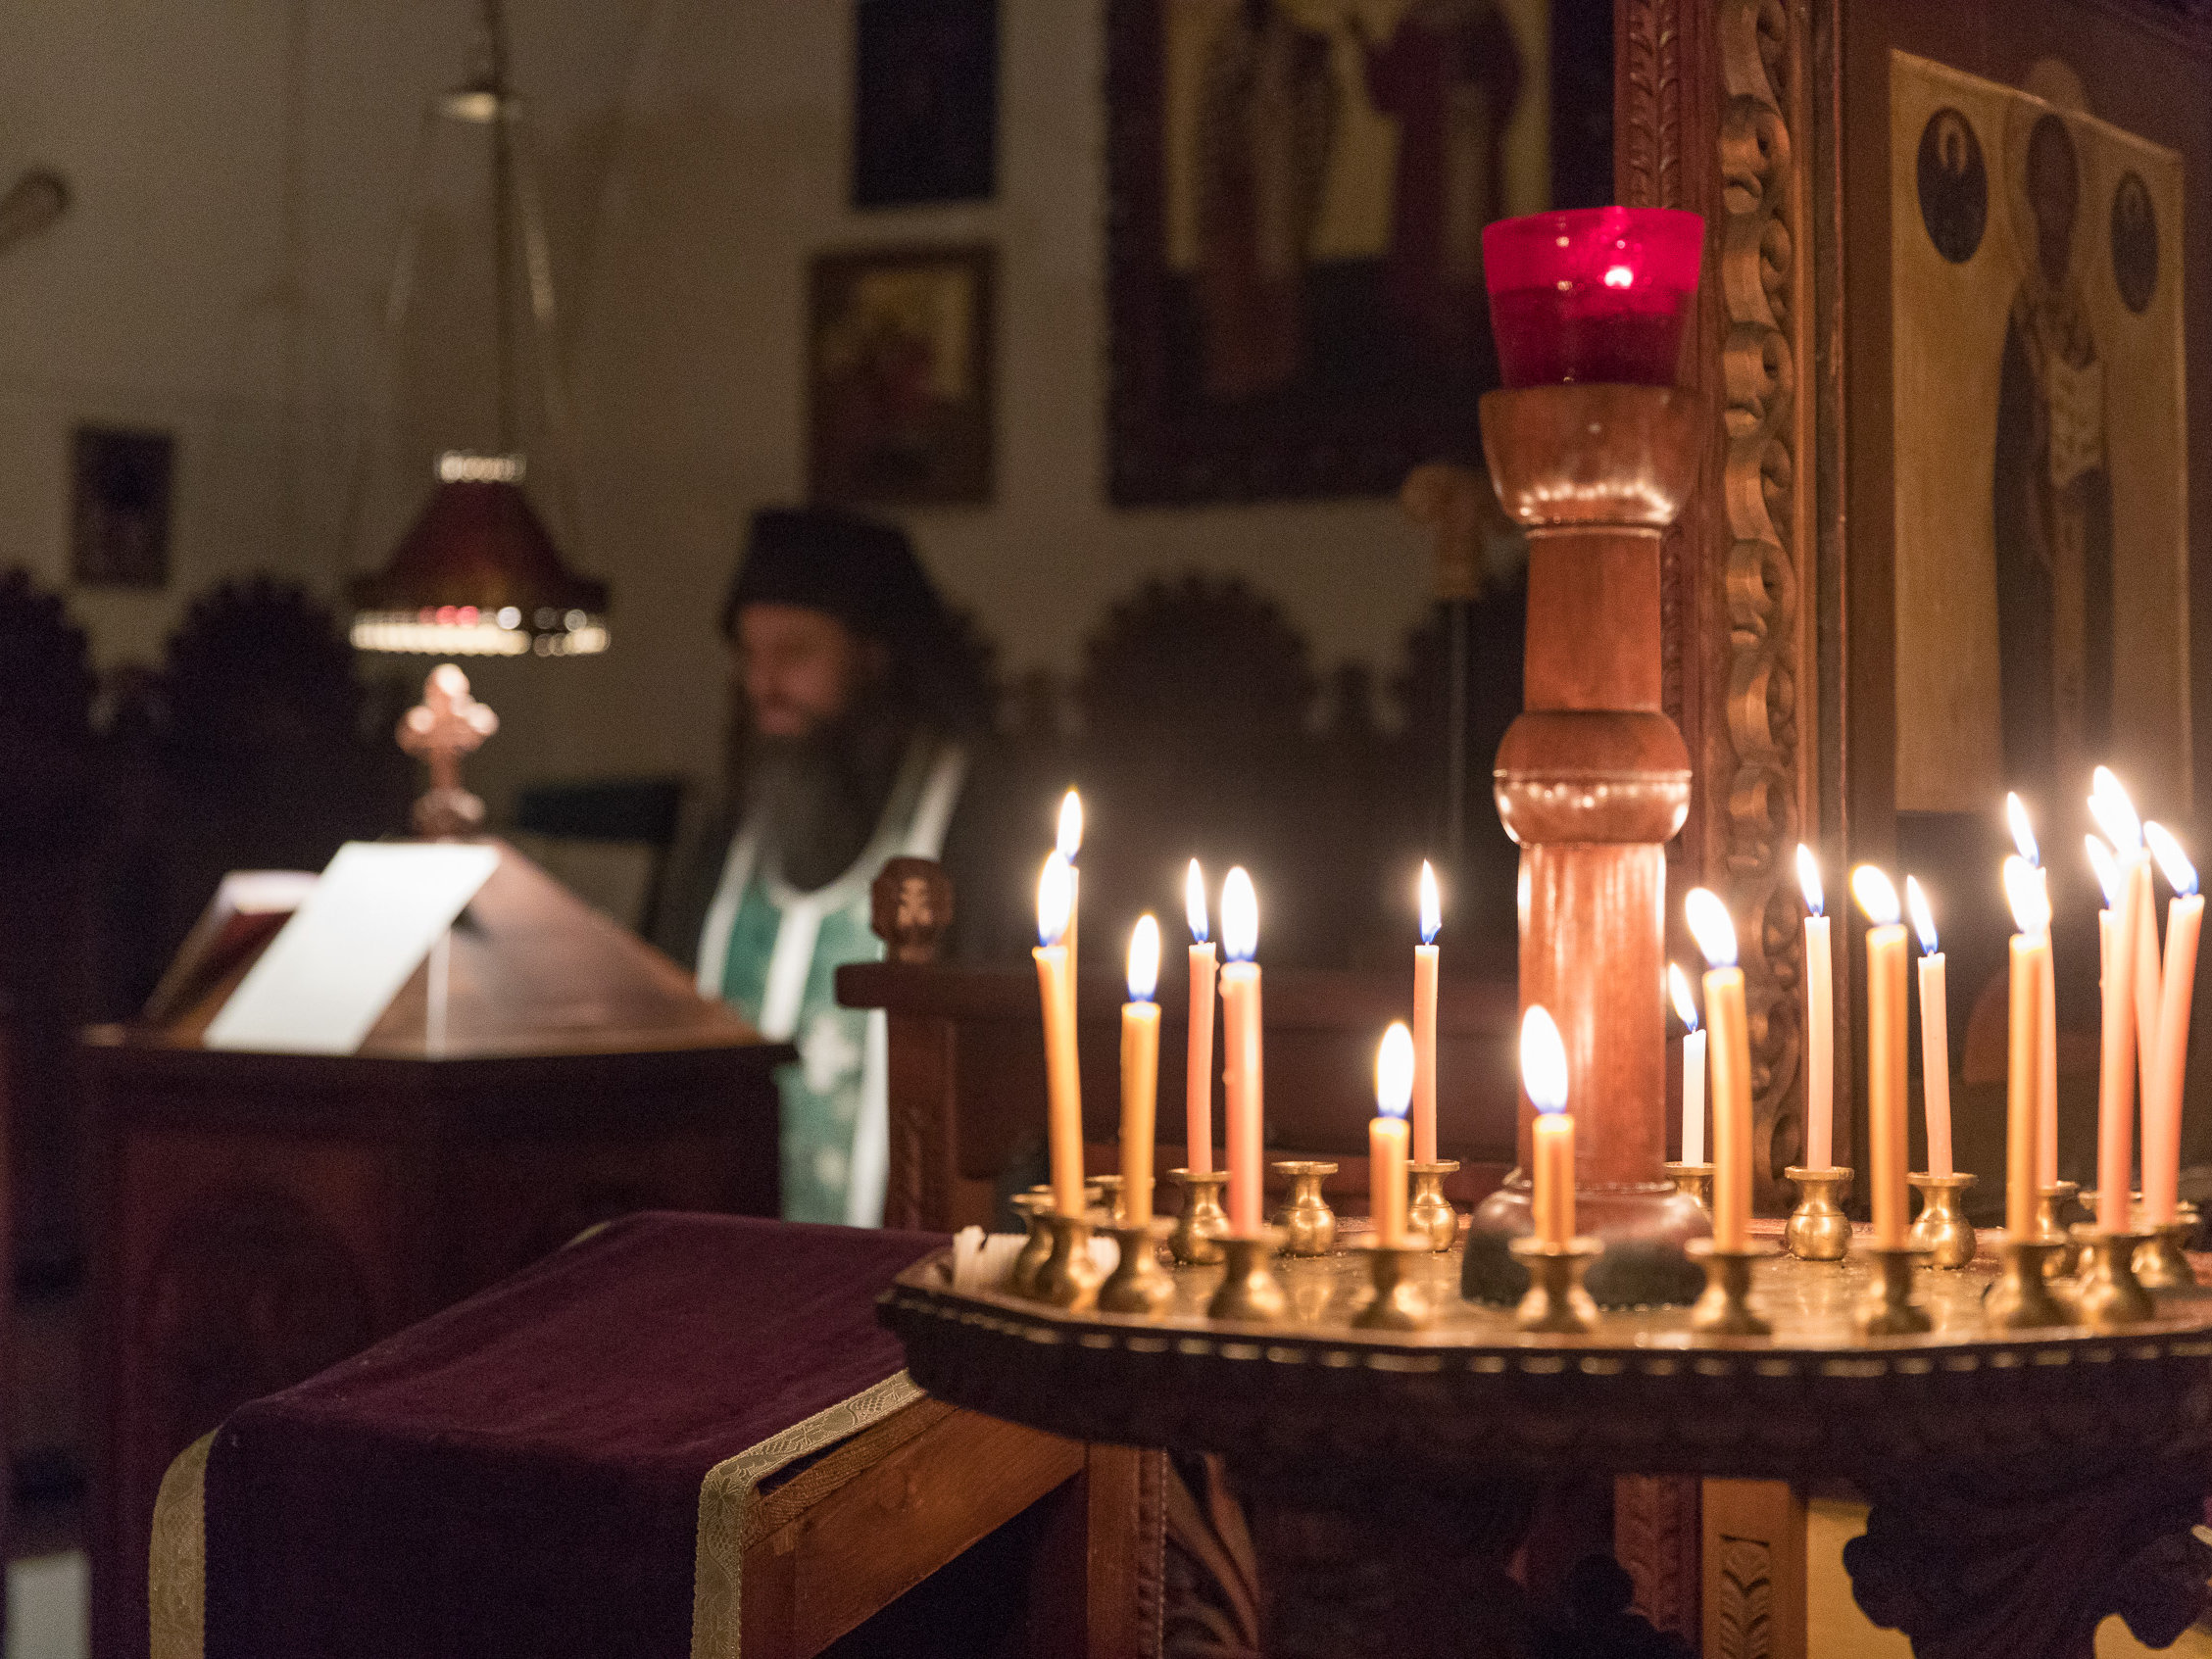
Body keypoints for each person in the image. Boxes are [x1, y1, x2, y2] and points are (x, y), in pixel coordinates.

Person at [659, 508, 997, 1226]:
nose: (764, 683)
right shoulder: (728, 833)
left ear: (874, 656)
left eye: (794, 653)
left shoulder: (976, 822)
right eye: (750, 656)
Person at [1993, 109, 2112, 791]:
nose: (2055, 207)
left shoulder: (2083, 318)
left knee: (2082, 678)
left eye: (2066, 191)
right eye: (2044, 191)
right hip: (2037, 529)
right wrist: (2029, 485)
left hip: (2080, 523)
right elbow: (2010, 444)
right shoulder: (2023, 311)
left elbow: (2103, 447)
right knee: (2041, 682)